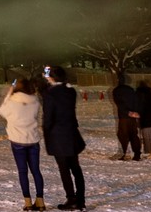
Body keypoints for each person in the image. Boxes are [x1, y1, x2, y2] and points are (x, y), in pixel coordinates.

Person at [42, 66, 87, 212]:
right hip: (71, 133)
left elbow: (48, 117)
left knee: (64, 169)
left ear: (53, 77)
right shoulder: (70, 91)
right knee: (76, 167)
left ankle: (71, 199)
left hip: (58, 135)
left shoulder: (50, 94)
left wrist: (46, 132)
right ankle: (81, 200)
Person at [0, 77, 47, 212]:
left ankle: (27, 202)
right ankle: (40, 201)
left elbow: (2, 111)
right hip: (32, 139)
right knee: (36, 171)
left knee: (23, 171)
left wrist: (9, 92)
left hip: (17, 140)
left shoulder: (12, 102)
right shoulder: (35, 101)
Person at [110, 74, 141, 161]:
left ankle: (127, 153)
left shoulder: (116, 90)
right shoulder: (130, 90)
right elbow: (136, 101)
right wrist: (135, 112)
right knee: (134, 135)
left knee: (123, 135)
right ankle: (137, 154)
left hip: (124, 116)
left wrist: (128, 112)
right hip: (133, 117)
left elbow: (119, 104)